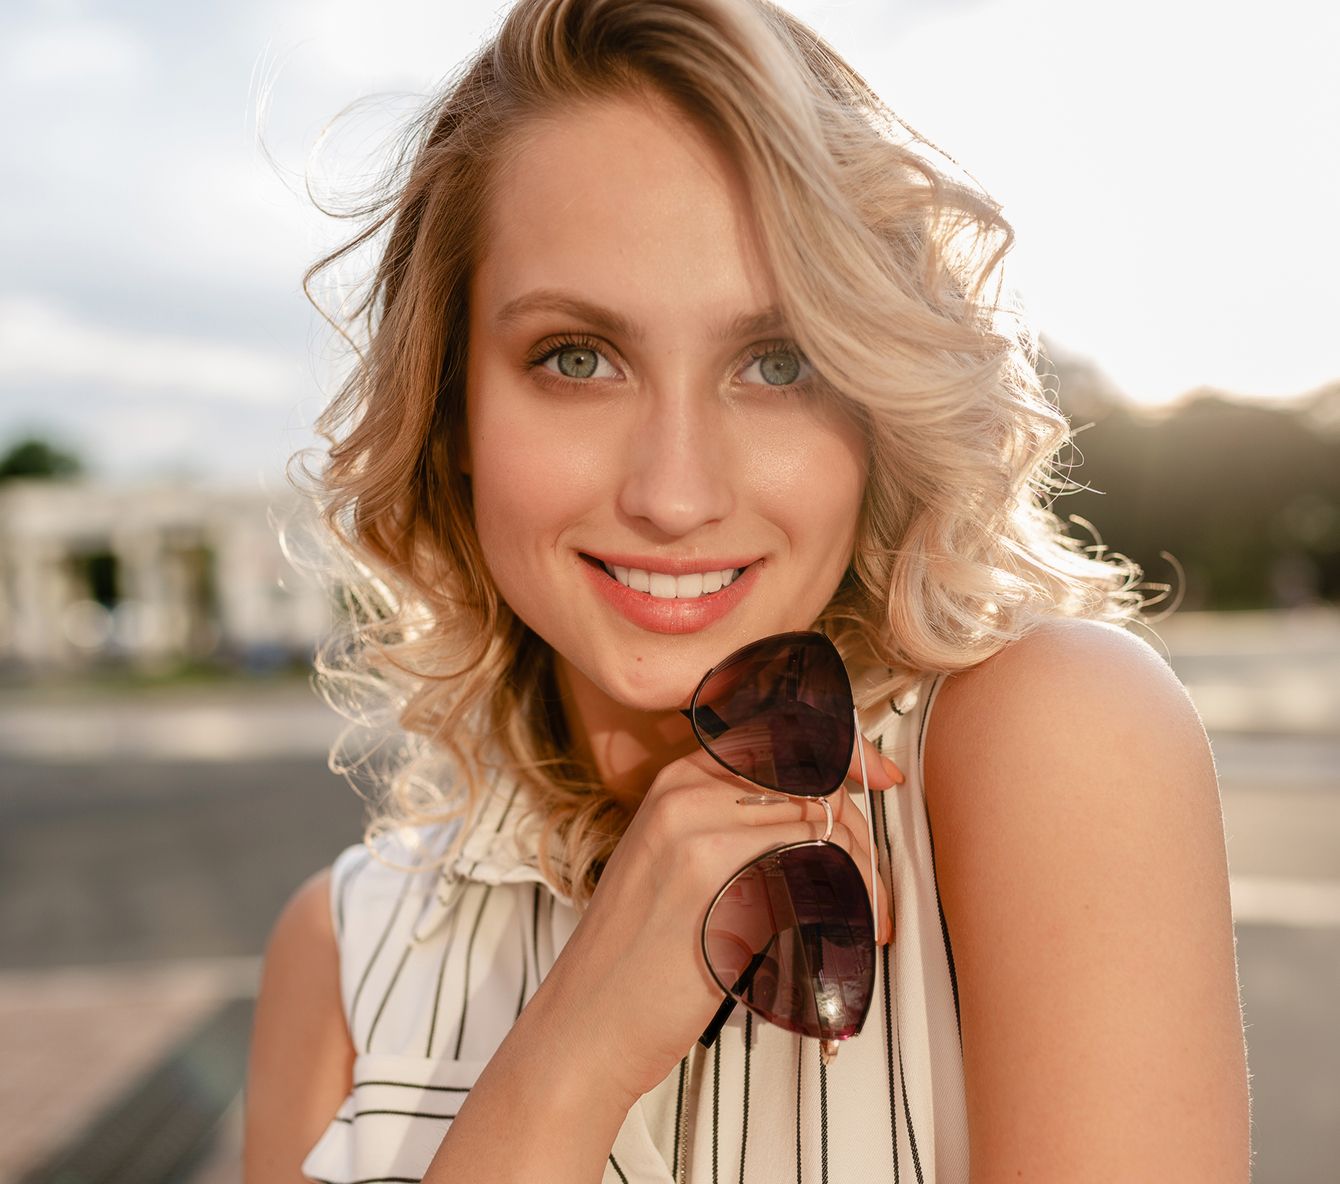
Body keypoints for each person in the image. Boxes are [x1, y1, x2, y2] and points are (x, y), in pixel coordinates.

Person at [243, 1, 1251, 1180]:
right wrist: (566, 1057)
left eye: (778, 363)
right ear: (453, 405)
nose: (673, 492)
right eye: (577, 357)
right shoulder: (344, 952)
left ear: (872, 405)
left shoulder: (1053, 742)